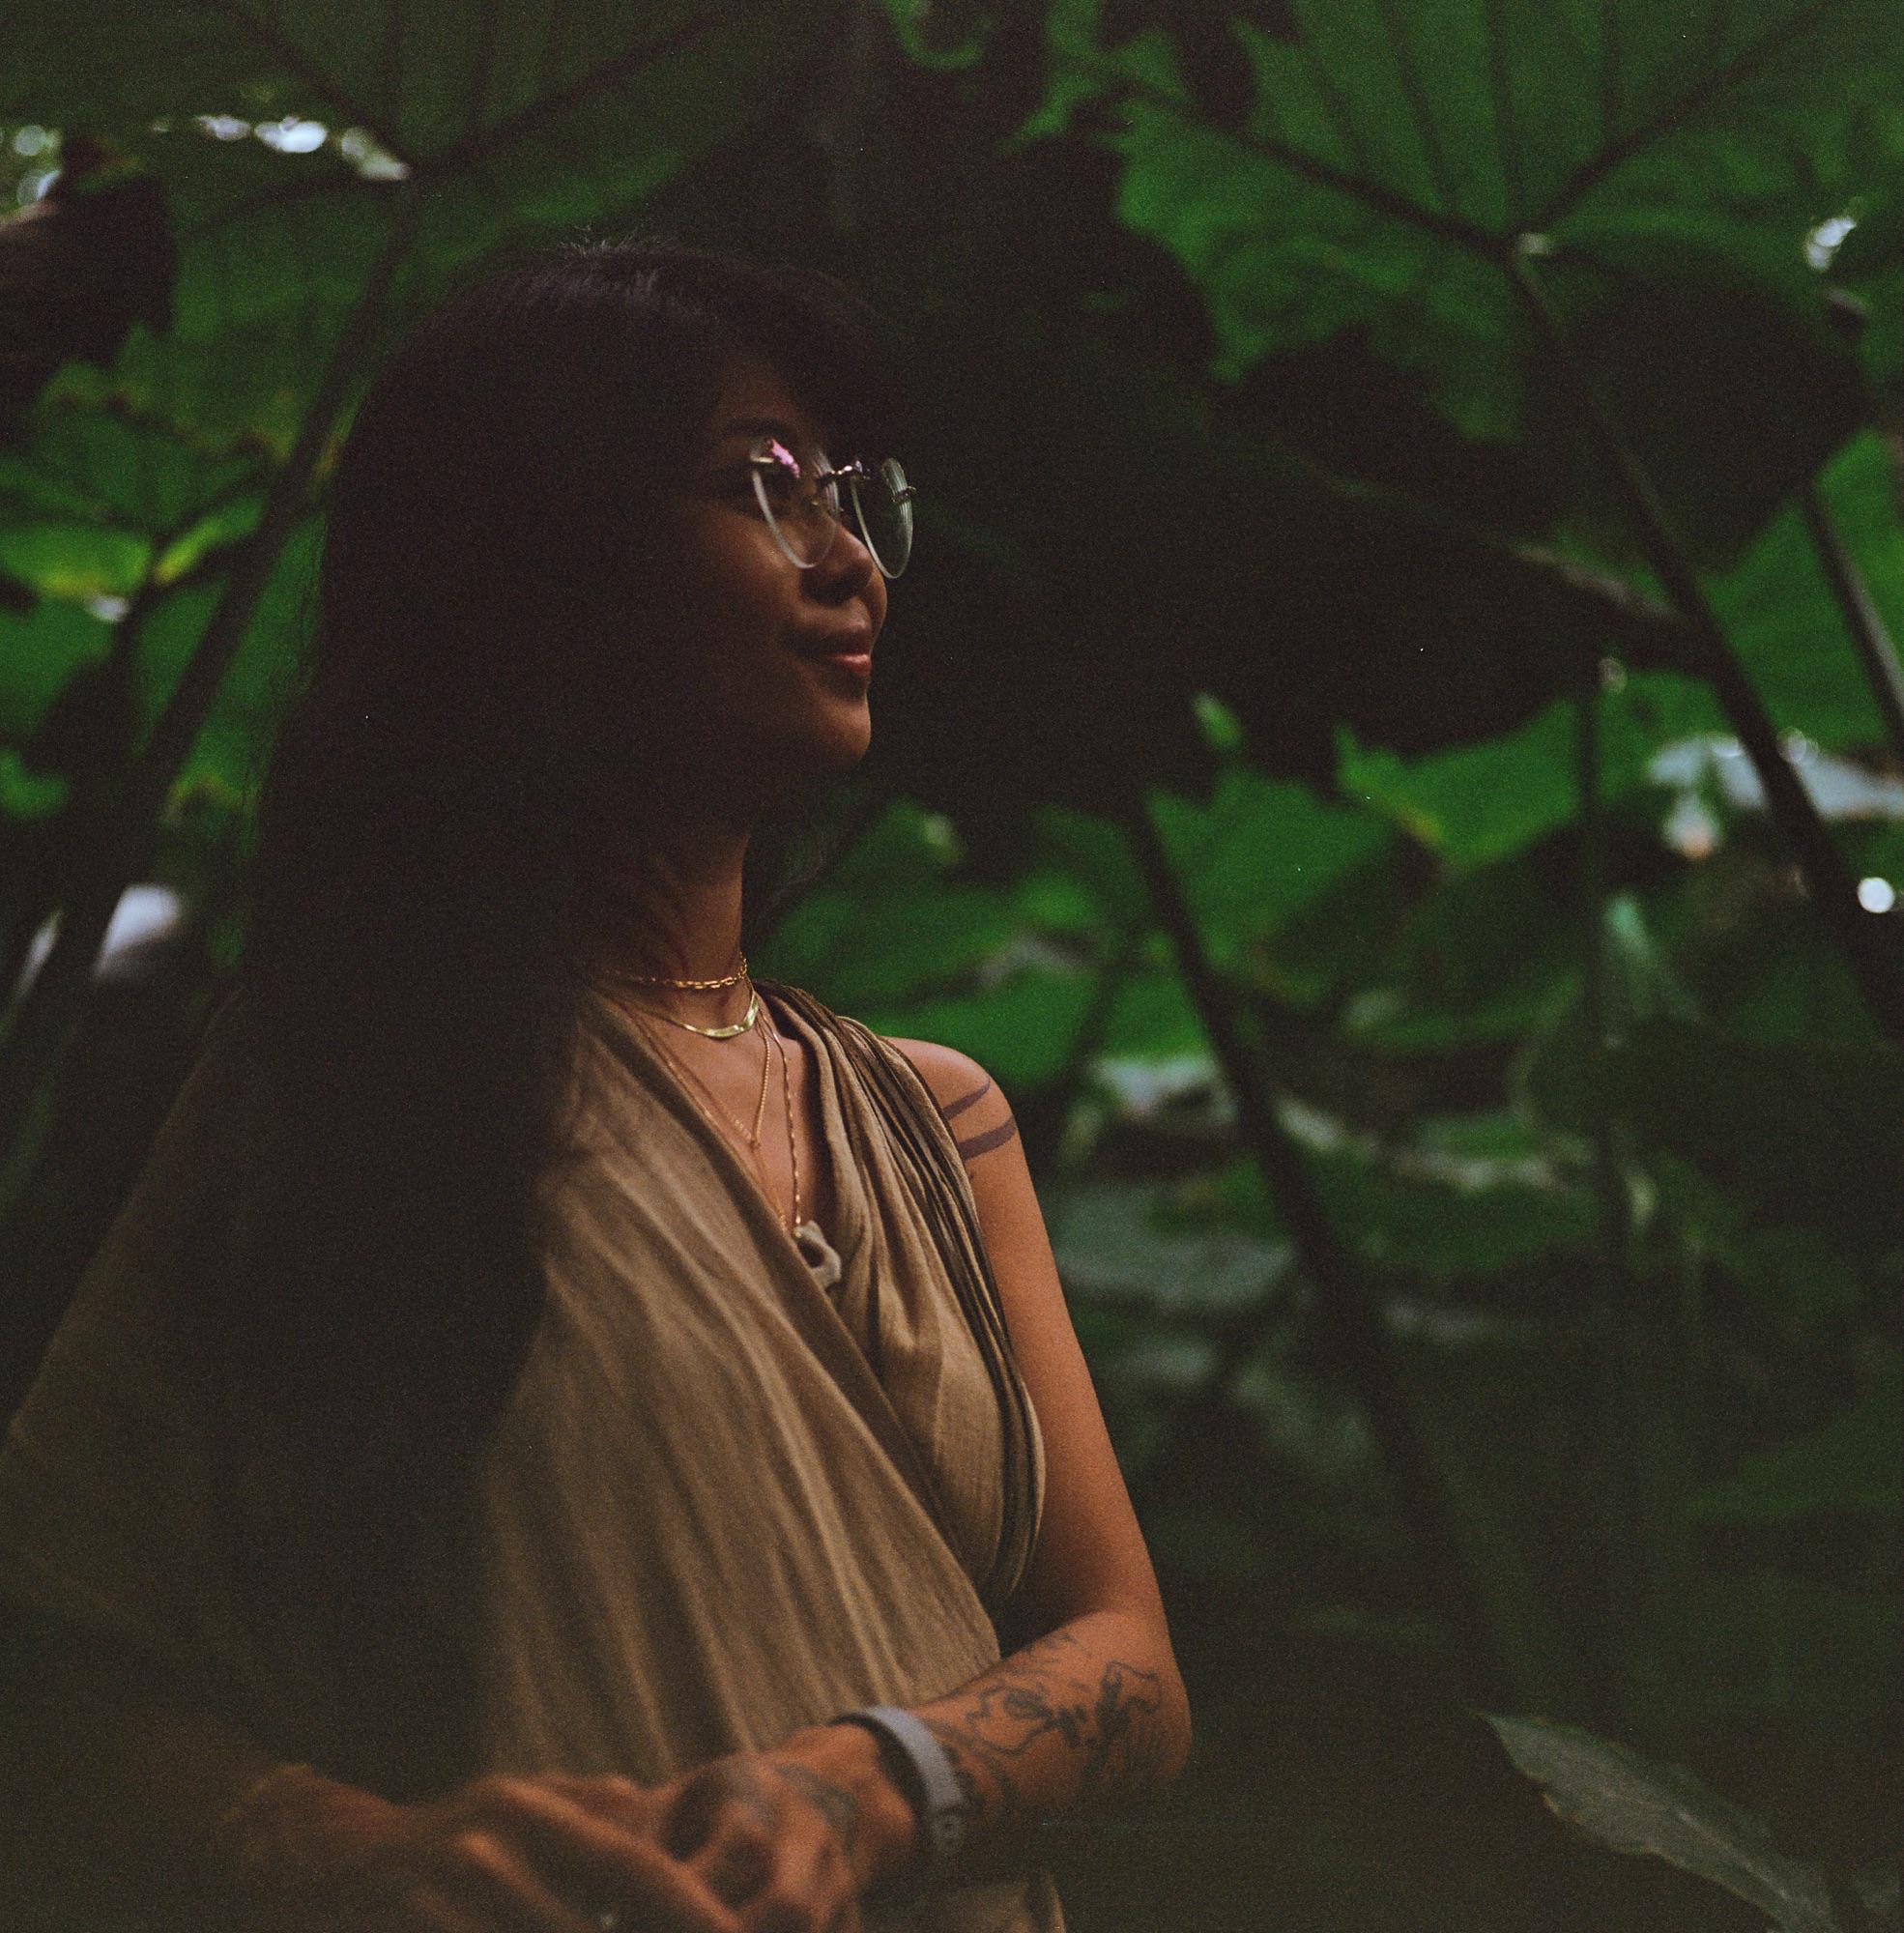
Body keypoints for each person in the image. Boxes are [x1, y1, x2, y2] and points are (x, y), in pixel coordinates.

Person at [0, 241, 1189, 1933]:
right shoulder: (352, 1070)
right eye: (762, 488)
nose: (849, 559)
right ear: (540, 559)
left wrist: (865, 1788)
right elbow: (53, 1668)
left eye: (853, 499)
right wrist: (342, 1844)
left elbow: (1130, 1669)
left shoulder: (938, 1124)